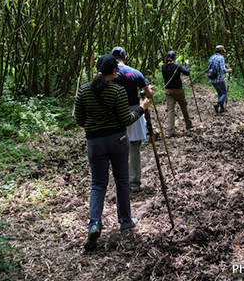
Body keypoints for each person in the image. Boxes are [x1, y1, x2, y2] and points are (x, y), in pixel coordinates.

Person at [74, 54, 150, 251]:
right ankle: (125, 220)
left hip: (95, 142)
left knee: (98, 184)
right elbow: (126, 119)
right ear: (114, 72)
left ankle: (94, 224)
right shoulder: (117, 91)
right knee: (122, 180)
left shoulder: (84, 91)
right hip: (118, 140)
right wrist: (141, 109)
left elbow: (79, 120)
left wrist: (95, 125)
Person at [111, 46, 154, 193]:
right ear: (125, 57)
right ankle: (134, 182)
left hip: (114, 113)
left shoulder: (107, 74)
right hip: (134, 110)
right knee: (134, 146)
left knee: (117, 147)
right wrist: (150, 91)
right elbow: (148, 95)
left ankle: (120, 181)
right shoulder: (135, 72)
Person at [161, 51, 193, 136]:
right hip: (178, 89)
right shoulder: (177, 65)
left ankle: (171, 131)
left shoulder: (163, 66)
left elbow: (164, 77)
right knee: (183, 106)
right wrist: (187, 64)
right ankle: (188, 124)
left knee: (171, 110)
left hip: (168, 90)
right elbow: (187, 72)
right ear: (174, 58)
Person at [208, 45, 232, 113]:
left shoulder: (211, 57)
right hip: (219, 79)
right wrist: (228, 70)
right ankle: (218, 104)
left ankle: (221, 108)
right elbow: (222, 69)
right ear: (221, 51)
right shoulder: (221, 58)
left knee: (219, 93)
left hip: (212, 79)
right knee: (224, 93)